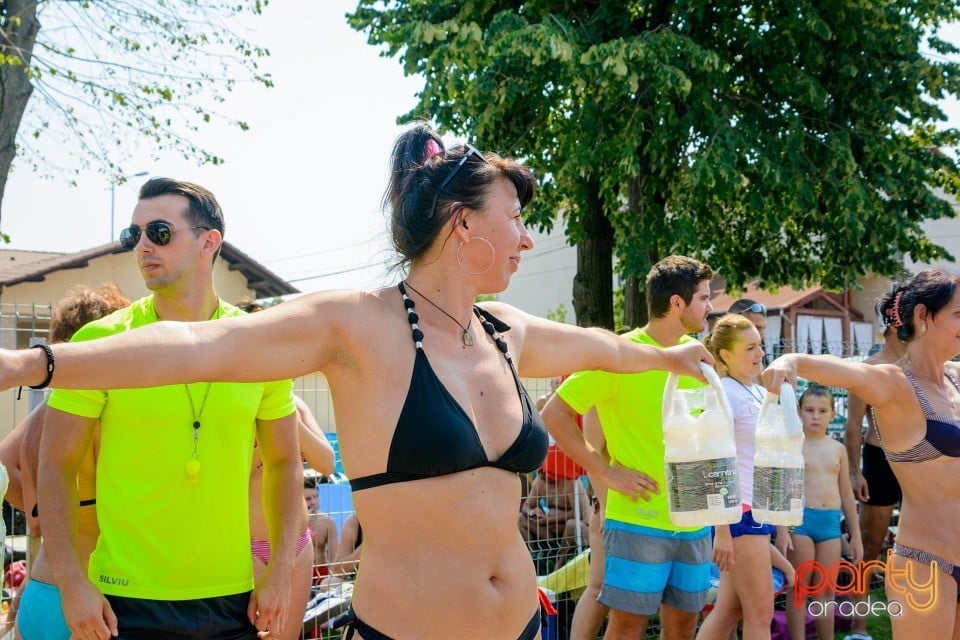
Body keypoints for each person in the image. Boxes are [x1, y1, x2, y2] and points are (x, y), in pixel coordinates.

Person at [0, 124, 713, 640]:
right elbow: (199, 346)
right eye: (517, 220)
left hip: (522, 625)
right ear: (464, 225)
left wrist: (668, 357)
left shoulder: (503, 328)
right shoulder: (358, 325)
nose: (527, 238)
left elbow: (600, 347)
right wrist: (35, 365)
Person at [37, 178, 303, 640]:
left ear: (208, 242)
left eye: (158, 232)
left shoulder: (259, 345)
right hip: (124, 605)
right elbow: (56, 464)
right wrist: (71, 582)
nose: (141, 246)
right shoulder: (100, 341)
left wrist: (281, 568)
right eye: (133, 234)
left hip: (235, 602)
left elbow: (285, 462)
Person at [762, 270, 960, 640]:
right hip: (927, 564)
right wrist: (791, 362)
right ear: (923, 316)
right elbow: (845, 372)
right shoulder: (893, 382)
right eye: (959, 314)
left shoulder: (955, 379)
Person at [541, 255, 716, 640]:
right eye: (704, 298)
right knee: (626, 629)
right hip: (638, 521)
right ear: (676, 303)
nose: (711, 306)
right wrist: (605, 472)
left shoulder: (700, 359)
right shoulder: (617, 354)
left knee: (685, 628)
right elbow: (554, 414)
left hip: (695, 522)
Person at [0, 284, 131, 640]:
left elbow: (4, 462)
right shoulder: (106, 418)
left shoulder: (41, 417)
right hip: (89, 596)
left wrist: (36, 501)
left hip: (40, 588)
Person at [695, 314, 782, 640]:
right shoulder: (724, 393)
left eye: (759, 345)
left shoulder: (754, 391)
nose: (759, 353)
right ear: (725, 356)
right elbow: (711, 460)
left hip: (755, 510)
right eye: (749, 348)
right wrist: (722, 529)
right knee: (760, 614)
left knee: (729, 610)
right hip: (739, 514)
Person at [843, 322, 906, 640]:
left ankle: (916, 623)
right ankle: (859, 625)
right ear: (893, 322)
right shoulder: (868, 368)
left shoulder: (925, 366)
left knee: (921, 549)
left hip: (920, 465)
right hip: (880, 461)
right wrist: (855, 471)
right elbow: (852, 425)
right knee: (869, 548)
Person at [785, 385, 862, 640]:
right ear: (799, 412)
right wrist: (783, 529)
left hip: (830, 524)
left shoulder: (837, 449)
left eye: (822, 411)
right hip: (801, 522)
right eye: (809, 410)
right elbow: (784, 490)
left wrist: (856, 536)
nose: (815, 416)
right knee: (799, 587)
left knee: (826, 590)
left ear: (832, 414)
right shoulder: (792, 446)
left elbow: (847, 496)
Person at [568, 408, 611, 640]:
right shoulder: (599, 400)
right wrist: (604, 505)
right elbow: (590, 453)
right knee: (599, 589)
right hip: (610, 512)